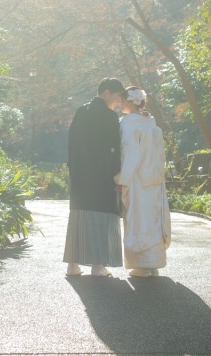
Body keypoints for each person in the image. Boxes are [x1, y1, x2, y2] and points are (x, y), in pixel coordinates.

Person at [63, 77, 125, 277]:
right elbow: (113, 149)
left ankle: (72, 265)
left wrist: (73, 169)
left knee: (79, 218)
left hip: (81, 174)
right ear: (106, 92)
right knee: (101, 218)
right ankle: (98, 266)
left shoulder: (81, 111)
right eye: (116, 97)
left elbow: (71, 143)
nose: (118, 102)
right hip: (102, 175)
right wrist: (116, 176)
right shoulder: (109, 116)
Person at [114, 86, 171, 277]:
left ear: (131, 101)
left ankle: (141, 264)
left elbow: (130, 153)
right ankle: (153, 264)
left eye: (122, 99)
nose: (120, 103)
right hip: (154, 178)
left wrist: (122, 179)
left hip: (137, 177)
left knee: (138, 219)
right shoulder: (150, 122)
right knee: (153, 219)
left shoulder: (128, 123)